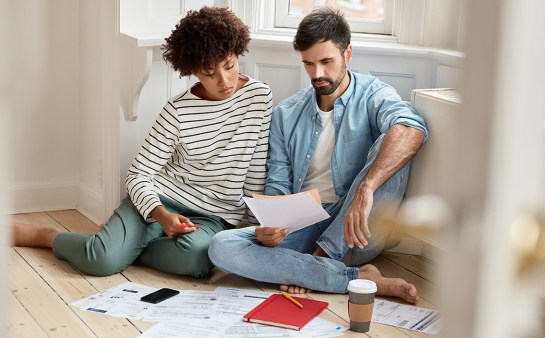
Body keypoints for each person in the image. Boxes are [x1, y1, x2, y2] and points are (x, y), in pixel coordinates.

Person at [11, 7, 272, 278]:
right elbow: (138, 175)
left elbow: (255, 170)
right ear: (192, 70)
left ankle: (123, 249)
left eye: (229, 65)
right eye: (209, 72)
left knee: (198, 261)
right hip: (162, 199)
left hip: (215, 216)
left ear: (237, 53)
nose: (224, 80)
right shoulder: (177, 111)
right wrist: (160, 214)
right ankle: (49, 237)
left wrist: (254, 231)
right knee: (99, 262)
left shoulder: (259, 97)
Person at [208, 7, 427, 304]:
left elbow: (412, 129)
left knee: (394, 140)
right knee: (222, 246)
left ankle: (317, 263)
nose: (318, 74)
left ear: (347, 54)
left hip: (357, 226)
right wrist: (270, 225)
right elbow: (278, 185)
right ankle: (354, 277)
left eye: (326, 61)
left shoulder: (373, 94)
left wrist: (366, 189)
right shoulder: (286, 114)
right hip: (304, 226)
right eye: (309, 64)